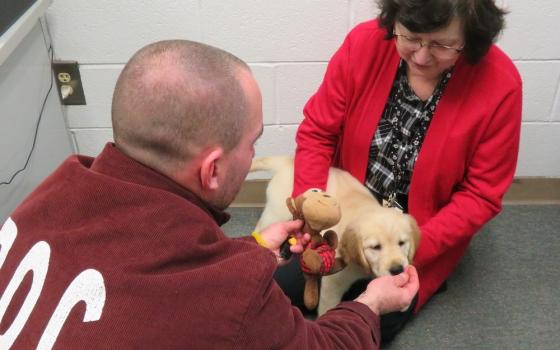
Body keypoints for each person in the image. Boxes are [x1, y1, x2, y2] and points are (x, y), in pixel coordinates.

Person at [0, 40, 418, 349]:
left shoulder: (48, 193)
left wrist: (249, 248)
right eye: (252, 142)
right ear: (213, 169)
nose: (256, 152)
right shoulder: (230, 294)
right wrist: (369, 304)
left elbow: (149, 266)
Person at [282, 0, 522, 341]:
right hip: (345, 214)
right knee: (272, 287)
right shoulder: (363, 44)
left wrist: (411, 248)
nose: (422, 57)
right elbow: (318, 133)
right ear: (394, 21)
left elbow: (481, 195)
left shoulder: (501, 85)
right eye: (410, 37)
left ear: (471, 37)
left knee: (360, 317)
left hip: (419, 232)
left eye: (441, 44)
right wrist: (312, 207)